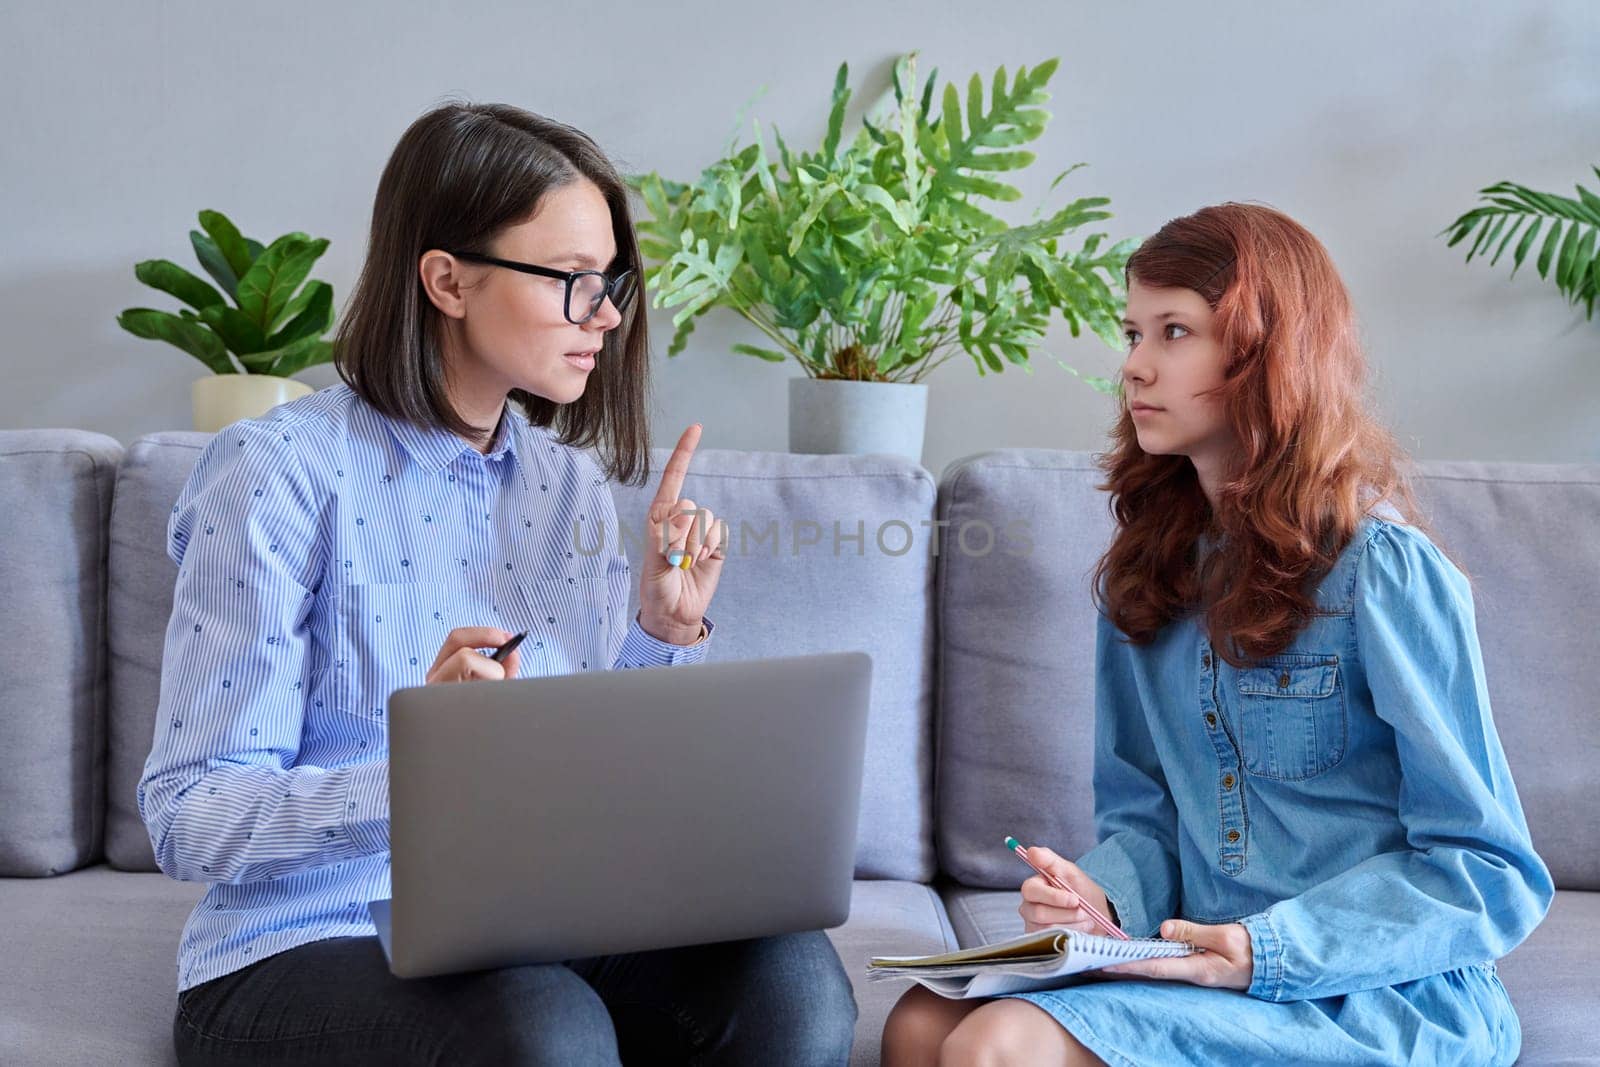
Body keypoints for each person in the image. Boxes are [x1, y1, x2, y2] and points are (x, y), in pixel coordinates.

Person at [138, 101, 857, 1066]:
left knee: (791, 985)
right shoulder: (275, 474)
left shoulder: (567, 489)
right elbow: (191, 815)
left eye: (610, 283)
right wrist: (426, 772)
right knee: (545, 1025)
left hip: (530, 933)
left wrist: (658, 633)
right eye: (569, 280)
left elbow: (587, 783)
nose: (603, 313)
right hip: (303, 940)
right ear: (446, 280)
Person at [880, 202, 1552, 1066]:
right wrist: (1102, 896)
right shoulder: (1148, 573)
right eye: (1131, 332)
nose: (1135, 367)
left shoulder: (1381, 570)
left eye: (1174, 332)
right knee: (919, 1021)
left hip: (1382, 993)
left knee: (1000, 1043)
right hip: (1198, 967)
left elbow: (1488, 870)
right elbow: (1149, 819)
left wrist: (1263, 949)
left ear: (1266, 352)